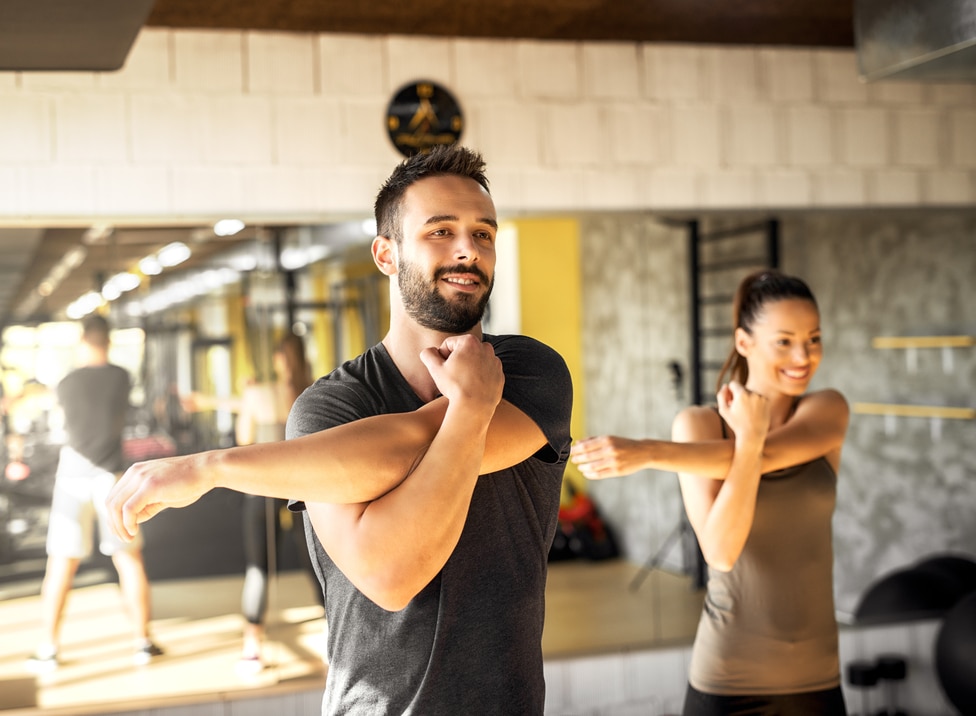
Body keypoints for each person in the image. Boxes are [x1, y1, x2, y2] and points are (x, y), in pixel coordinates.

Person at [105, 144, 573, 715]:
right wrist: (471, 411)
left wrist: (213, 467)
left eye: (483, 234)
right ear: (385, 254)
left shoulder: (529, 372)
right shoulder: (329, 409)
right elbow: (389, 573)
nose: (466, 251)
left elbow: (405, 444)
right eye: (440, 231)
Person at [571, 269, 850, 715]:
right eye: (784, 341)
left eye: (813, 338)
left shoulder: (826, 409)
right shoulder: (699, 425)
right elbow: (720, 553)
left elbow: (770, 457)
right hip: (729, 681)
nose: (804, 355)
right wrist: (747, 441)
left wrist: (647, 452)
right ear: (744, 343)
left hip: (818, 681)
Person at [27, 314, 163, 671]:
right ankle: (143, 642)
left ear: (83, 340)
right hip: (110, 477)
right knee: (128, 559)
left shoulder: (67, 382)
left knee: (61, 564)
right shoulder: (121, 377)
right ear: (108, 340)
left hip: (72, 475)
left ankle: (48, 648)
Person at [186, 332, 318, 672]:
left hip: (265, 486)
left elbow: (244, 438)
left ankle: (252, 646)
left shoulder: (262, 393)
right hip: (307, 486)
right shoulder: (316, 391)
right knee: (318, 564)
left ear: (278, 359)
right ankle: (339, 637)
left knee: (258, 567)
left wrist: (246, 398)